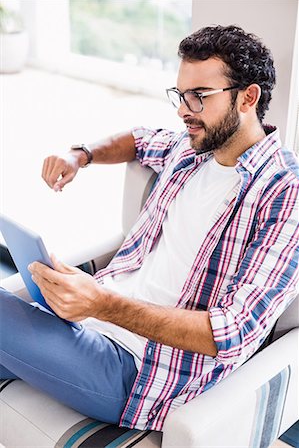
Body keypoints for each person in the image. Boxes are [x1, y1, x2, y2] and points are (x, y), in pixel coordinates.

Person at [1, 25, 298, 432]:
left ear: (248, 98)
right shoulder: (190, 149)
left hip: (139, 371)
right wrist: (80, 155)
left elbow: (233, 332)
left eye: (199, 97)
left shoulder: (284, 192)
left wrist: (101, 303)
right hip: (84, 327)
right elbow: (138, 140)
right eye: (180, 95)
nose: (182, 110)